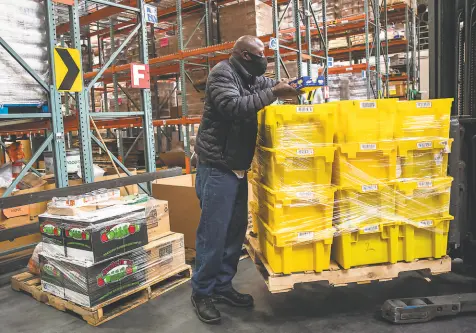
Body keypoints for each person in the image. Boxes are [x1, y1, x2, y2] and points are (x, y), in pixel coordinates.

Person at [192, 35, 299, 324]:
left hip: (237, 166)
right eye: (260, 53)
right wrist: (275, 93)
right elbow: (233, 106)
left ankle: (222, 286)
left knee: (233, 232)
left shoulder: (251, 76)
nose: (265, 58)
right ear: (244, 55)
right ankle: (202, 293)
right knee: (213, 235)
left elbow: (268, 86)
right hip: (217, 167)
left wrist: (290, 88)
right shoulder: (222, 74)